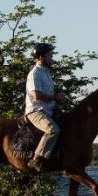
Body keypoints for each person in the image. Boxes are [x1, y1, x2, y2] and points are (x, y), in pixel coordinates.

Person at [24, 43, 66, 172]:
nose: (52, 57)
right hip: (36, 111)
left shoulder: (46, 72)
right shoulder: (35, 73)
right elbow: (36, 96)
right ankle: (36, 159)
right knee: (53, 130)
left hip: (49, 109)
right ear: (41, 57)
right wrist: (55, 97)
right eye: (50, 55)